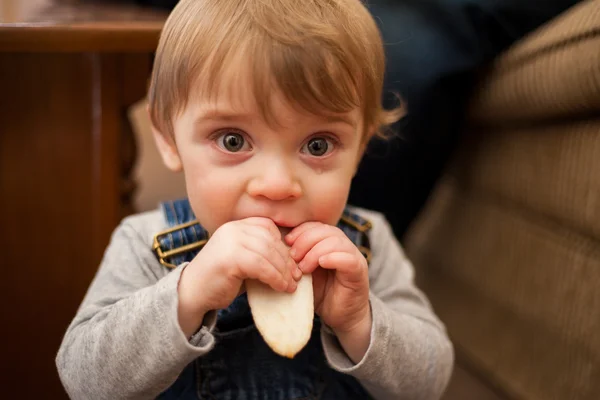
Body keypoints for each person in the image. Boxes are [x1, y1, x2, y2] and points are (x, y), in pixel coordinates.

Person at [56, 0, 453, 399]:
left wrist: (361, 321)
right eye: (233, 140)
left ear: (359, 149)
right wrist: (187, 295)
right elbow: (84, 381)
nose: (277, 185)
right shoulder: (146, 243)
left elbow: (430, 381)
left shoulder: (366, 245)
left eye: (318, 145)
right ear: (168, 138)